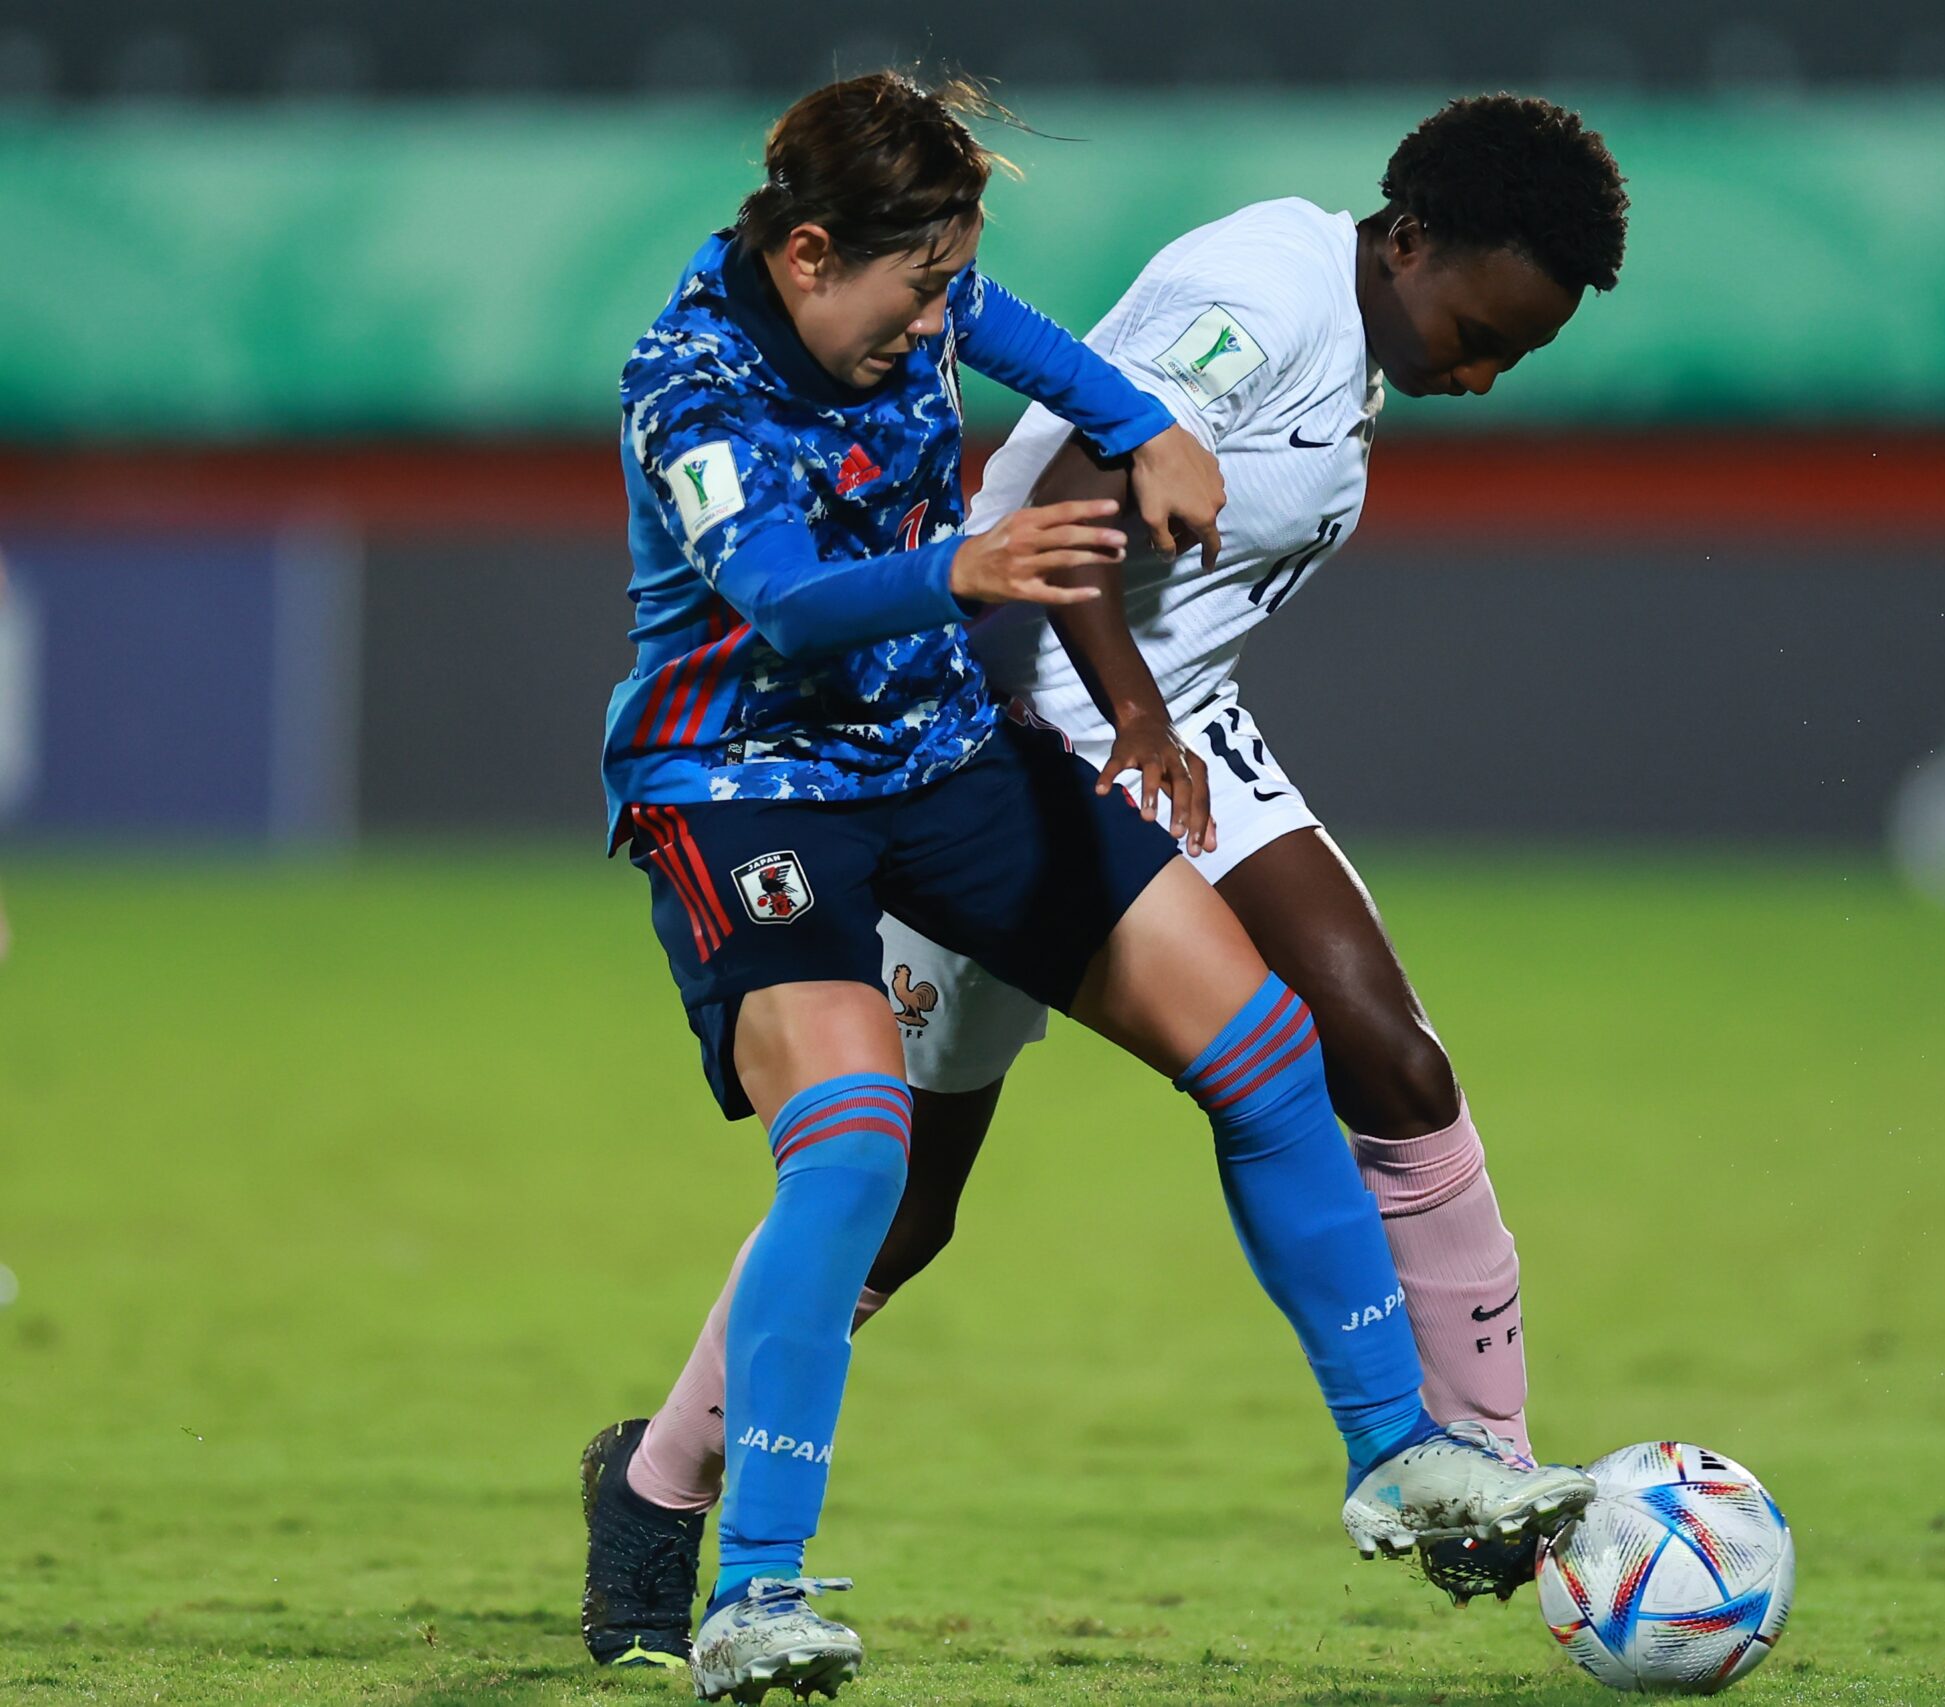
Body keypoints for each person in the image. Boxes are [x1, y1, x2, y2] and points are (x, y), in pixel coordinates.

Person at [578, 74, 1595, 1698]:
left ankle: (1410, 1453)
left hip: (952, 749)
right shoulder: (688, 388)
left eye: (947, 290)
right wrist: (965, 569)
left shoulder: (923, 289)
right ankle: (722, 1558)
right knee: (869, 1176)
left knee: (1276, 1049)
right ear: (812, 252)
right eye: (915, 298)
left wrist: (1144, 425)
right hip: (756, 783)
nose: (937, 332)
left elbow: (1041, 347)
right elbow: (774, 601)